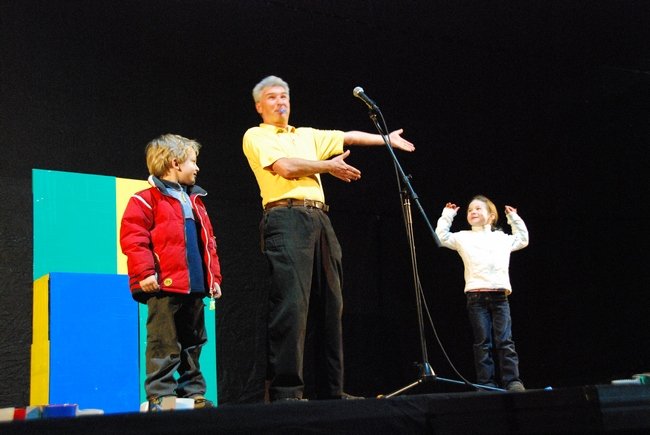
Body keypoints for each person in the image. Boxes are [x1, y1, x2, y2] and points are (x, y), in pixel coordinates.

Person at [242, 75, 415, 402]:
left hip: (320, 218)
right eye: (273, 97)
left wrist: (386, 139)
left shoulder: (306, 134)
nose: (280, 102)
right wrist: (327, 166)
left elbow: (348, 136)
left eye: (284, 96)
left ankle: (331, 391)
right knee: (292, 306)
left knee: (331, 305)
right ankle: (287, 393)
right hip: (286, 216)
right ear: (259, 106)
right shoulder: (256, 135)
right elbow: (285, 167)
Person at [120, 133, 223, 411]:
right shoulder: (145, 200)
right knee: (163, 342)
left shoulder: (195, 200)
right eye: (193, 162)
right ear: (175, 163)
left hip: (195, 286)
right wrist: (145, 272)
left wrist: (213, 278)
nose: (197, 168)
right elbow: (134, 239)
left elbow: (208, 243)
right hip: (164, 286)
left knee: (194, 342)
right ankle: (160, 394)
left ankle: (193, 392)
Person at [435, 195, 528, 392]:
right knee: (482, 342)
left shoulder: (502, 238)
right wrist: (448, 215)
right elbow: (441, 237)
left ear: (491, 215)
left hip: (499, 296)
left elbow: (522, 239)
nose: (473, 212)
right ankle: (486, 383)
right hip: (476, 297)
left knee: (505, 341)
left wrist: (514, 218)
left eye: (478, 209)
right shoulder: (463, 237)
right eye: (470, 210)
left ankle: (512, 381)